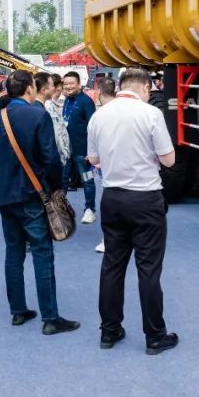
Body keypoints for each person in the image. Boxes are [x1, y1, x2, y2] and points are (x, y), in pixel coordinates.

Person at [0, 70, 80, 336]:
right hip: (32, 194)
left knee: (13, 252)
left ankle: (18, 310)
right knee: (42, 252)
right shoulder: (37, 115)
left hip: (3, 196)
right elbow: (51, 159)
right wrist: (55, 188)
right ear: (29, 89)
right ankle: (50, 317)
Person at [87, 68, 179, 355]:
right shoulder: (151, 114)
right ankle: (155, 336)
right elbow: (169, 159)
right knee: (148, 269)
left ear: (121, 86)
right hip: (145, 198)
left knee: (112, 265)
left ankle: (109, 331)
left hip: (112, 197)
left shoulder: (99, 115)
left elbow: (93, 159)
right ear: (145, 88)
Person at [62, 71, 97, 224]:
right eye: (65, 84)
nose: (68, 86)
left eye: (71, 83)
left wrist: (92, 151)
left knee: (87, 180)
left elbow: (93, 127)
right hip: (66, 151)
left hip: (83, 151)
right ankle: (60, 210)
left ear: (79, 84)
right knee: (63, 180)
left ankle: (90, 210)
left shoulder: (86, 102)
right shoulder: (66, 100)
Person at [92, 77, 116, 254]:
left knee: (108, 205)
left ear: (99, 92)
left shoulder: (98, 116)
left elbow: (93, 155)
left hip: (106, 166)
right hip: (131, 167)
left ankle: (108, 240)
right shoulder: (133, 112)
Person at [34, 72, 71, 168]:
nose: (54, 88)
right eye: (52, 85)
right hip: (53, 161)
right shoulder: (47, 108)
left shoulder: (36, 106)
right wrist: (64, 157)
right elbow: (57, 134)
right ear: (43, 90)